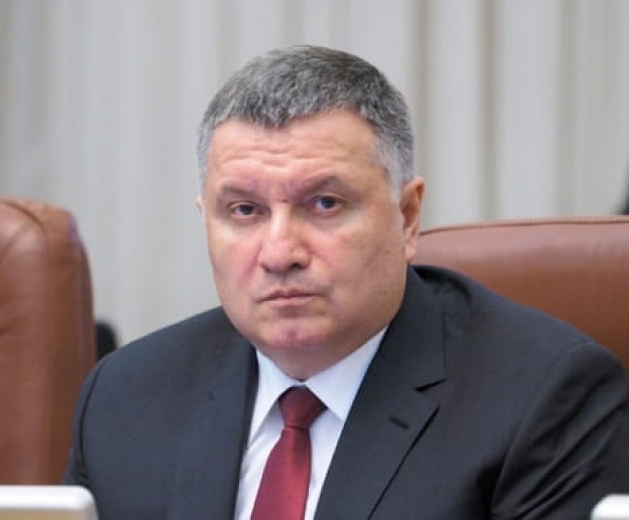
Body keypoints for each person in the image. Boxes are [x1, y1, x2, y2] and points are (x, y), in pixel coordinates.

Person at [63, 45, 629, 519]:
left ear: (407, 217)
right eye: (244, 211)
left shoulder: (543, 399)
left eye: (325, 204)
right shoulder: (125, 397)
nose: (279, 253)